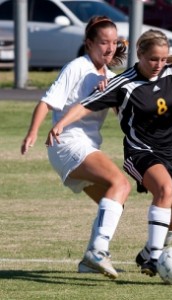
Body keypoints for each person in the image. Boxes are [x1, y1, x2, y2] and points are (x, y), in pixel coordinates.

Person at [45, 29, 172, 277]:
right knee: (164, 189)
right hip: (140, 151)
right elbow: (85, 105)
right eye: (153, 59)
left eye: (162, 59)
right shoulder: (122, 83)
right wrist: (61, 124)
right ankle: (156, 259)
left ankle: (148, 252)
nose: (158, 64)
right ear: (139, 54)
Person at [21, 16, 131, 280]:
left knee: (114, 200)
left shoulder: (111, 77)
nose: (109, 48)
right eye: (103, 42)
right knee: (121, 185)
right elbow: (47, 102)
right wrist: (32, 132)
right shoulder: (77, 67)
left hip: (84, 146)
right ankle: (97, 251)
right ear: (89, 43)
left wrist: (115, 95)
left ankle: (89, 260)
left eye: (114, 43)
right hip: (67, 143)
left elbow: (123, 117)